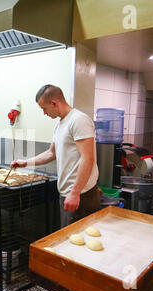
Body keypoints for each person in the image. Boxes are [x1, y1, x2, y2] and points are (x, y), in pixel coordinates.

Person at [10, 85, 100, 228]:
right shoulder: (59, 125)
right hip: (68, 193)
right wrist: (25, 163)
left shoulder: (79, 120)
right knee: (68, 240)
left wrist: (75, 193)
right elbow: (51, 153)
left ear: (54, 103)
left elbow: (87, 158)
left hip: (82, 195)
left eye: (44, 108)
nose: (44, 113)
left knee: (78, 242)